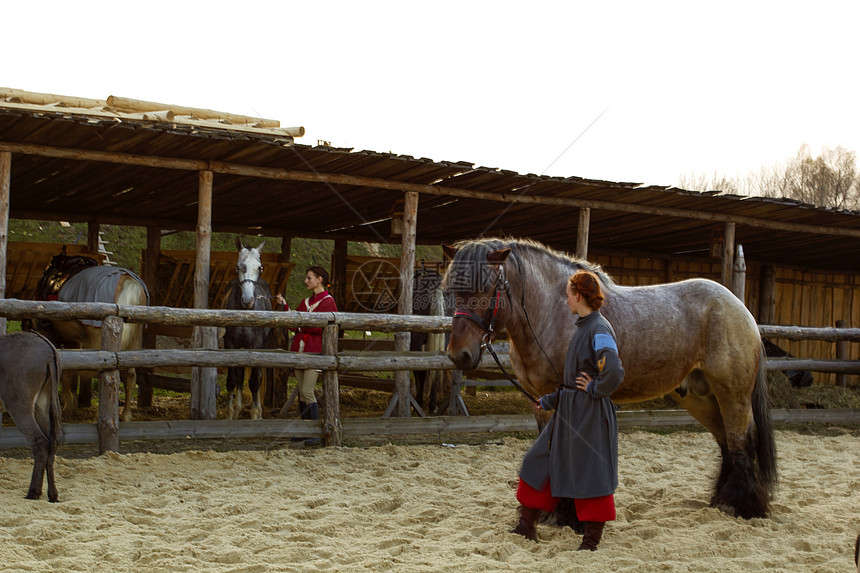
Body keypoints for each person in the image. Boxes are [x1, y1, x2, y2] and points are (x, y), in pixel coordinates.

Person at [511, 269, 625, 550]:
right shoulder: (583, 327)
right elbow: (574, 380)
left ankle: (591, 541)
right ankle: (526, 526)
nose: (566, 301)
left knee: (591, 473)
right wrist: (550, 401)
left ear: (578, 295)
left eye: (568, 296)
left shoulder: (599, 328)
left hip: (589, 417)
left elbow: (613, 369)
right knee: (540, 460)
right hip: (569, 411)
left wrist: (595, 389)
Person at [276, 265, 337, 446]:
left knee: (308, 391)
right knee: (302, 393)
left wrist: (303, 324)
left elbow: (319, 326)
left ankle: (316, 432)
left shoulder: (328, 302)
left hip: (314, 351)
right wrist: (285, 306)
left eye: (309, 278)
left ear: (319, 280)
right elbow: (294, 324)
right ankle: (305, 430)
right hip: (301, 350)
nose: (305, 281)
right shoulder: (306, 302)